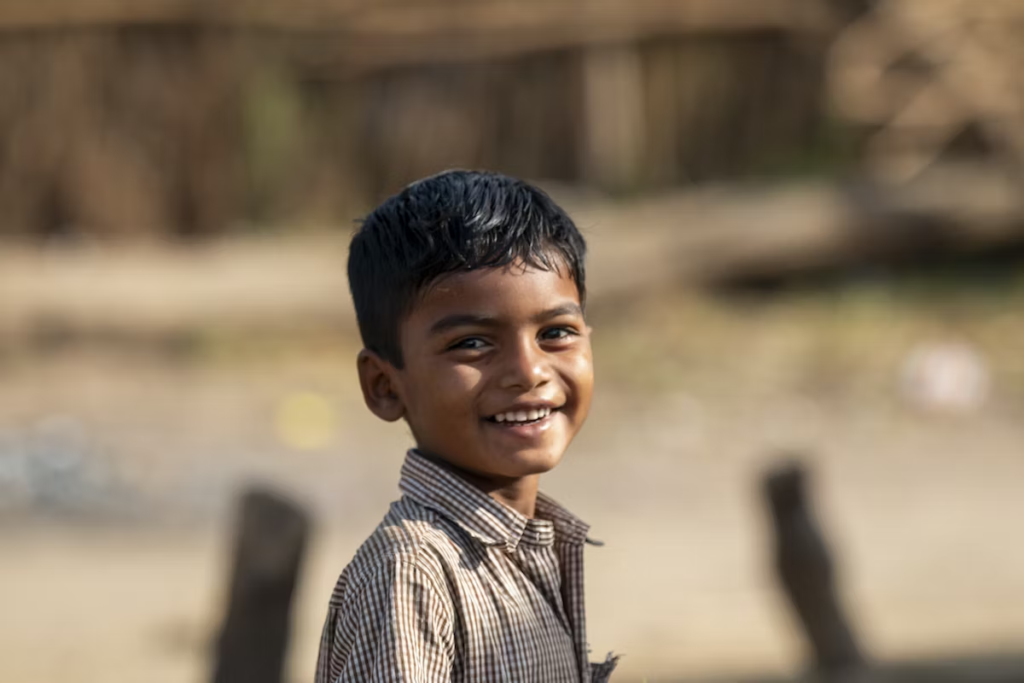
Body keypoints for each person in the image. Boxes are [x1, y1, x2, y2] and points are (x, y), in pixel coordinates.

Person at [315, 170, 617, 682]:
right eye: (472, 343)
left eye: (556, 333)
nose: (529, 372)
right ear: (385, 387)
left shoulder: (528, 547)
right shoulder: (412, 575)